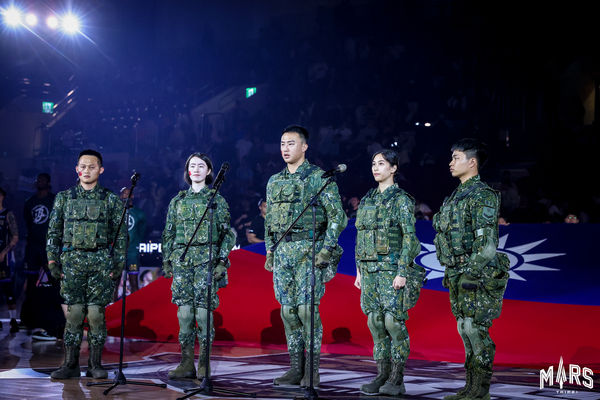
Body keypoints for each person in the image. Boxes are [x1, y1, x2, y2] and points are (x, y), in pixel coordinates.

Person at [264, 125, 347, 387]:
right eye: (282, 143)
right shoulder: (274, 181)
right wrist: (270, 249)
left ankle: (312, 370)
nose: (285, 148)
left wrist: (327, 249)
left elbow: (337, 217)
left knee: (307, 310)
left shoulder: (319, 177)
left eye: (290, 143)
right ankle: (295, 368)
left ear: (304, 147)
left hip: (310, 251)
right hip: (284, 253)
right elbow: (269, 221)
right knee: (287, 312)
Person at [433, 139, 509, 400]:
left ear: (472, 162)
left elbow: (487, 243)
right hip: (455, 271)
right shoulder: (455, 196)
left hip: (475, 273)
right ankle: (470, 386)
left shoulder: (482, 195)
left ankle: (481, 389)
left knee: (476, 328)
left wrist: (472, 272)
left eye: (456, 157)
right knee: (464, 327)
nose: (451, 162)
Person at [46, 149, 126, 379]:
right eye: (83, 166)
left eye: (92, 167)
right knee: (74, 315)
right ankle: (70, 364)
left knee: (95, 316)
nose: (87, 170)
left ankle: (95, 365)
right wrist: (52, 260)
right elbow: (53, 232)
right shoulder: (64, 198)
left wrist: (118, 263)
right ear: (76, 169)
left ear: (100, 170)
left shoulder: (110, 199)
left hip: (100, 263)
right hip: (72, 263)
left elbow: (120, 236)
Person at [353, 149, 423, 395]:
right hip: (370, 270)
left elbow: (409, 238)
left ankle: (397, 378)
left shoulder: (401, 199)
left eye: (381, 164)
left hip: (392, 269)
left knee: (393, 322)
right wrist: (359, 270)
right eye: (373, 163)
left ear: (393, 168)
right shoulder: (368, 199)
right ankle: (381, 374)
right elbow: (361, 236)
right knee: (375, 322)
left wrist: (402, 271)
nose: (376, 168)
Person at [162, 153, 235, 380]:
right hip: (182, 262)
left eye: (201, 166)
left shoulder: (216, 200)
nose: (195, 169)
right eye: (192, 165)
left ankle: (204, 363)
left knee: (203, 314)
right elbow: (169, 233)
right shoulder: (177, 201)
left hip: (207, 261)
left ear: (209, 171)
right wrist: (167, 259)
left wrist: (222, 261)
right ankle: (186, 363)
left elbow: (227, 235)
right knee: (184, 314)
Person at [21, 173, 64, 340]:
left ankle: (57, 320)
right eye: (38, 179)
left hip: (49, 247)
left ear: (48, 182)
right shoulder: (30, 202)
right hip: (32, 247)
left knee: (54, 282)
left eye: (43, 180)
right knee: (31, 283)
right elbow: (28, 221)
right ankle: (29, 318)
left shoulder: (54, 200)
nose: (40, 182)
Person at [119, 187, 147, 295]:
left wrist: (135, 244)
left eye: (128, 194)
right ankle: (112, 307)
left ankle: (136, 306)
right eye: (124, 194)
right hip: (118, 254)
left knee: (134, 282)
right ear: (120, 196)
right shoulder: (115, 212)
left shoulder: (139, 214)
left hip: (132, 254)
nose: (126, 196)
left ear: (132, 196)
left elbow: (142, 231)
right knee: (115, 283)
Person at [0, 186, 19, 333]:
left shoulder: (8, 215)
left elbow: (15, 236)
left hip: (4, 259)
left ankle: (13, 319)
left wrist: (5, 252)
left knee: (8, 290)